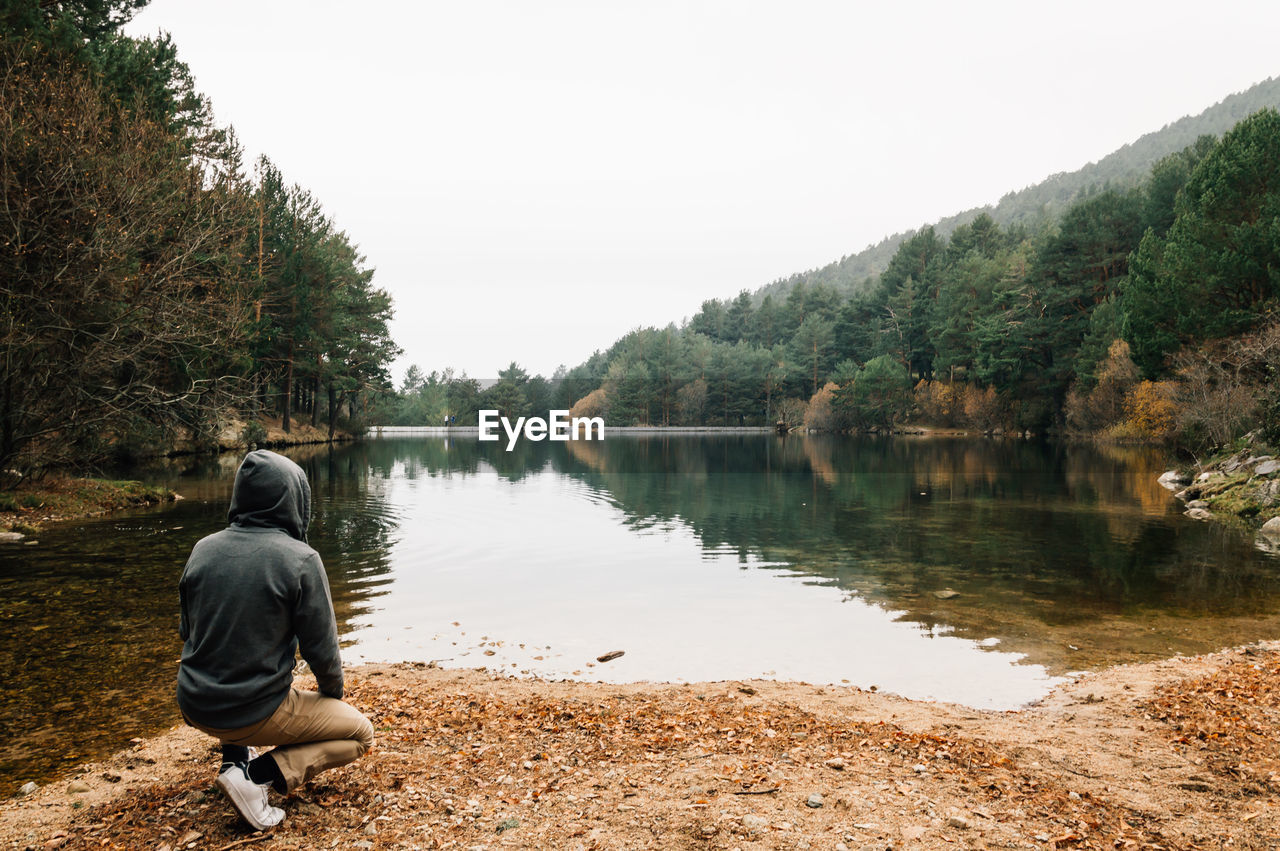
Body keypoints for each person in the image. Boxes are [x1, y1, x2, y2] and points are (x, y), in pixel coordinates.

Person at [177, 449, 374, 831]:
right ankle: (254, 777)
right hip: (251, 711)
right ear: (294, 499)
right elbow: (323, 649)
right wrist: (332, 695)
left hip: (194, 703)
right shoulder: (300, 559)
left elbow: (190, 633)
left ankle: (232, 758)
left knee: (233, 654)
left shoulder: (202, 549)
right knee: (360, 734)